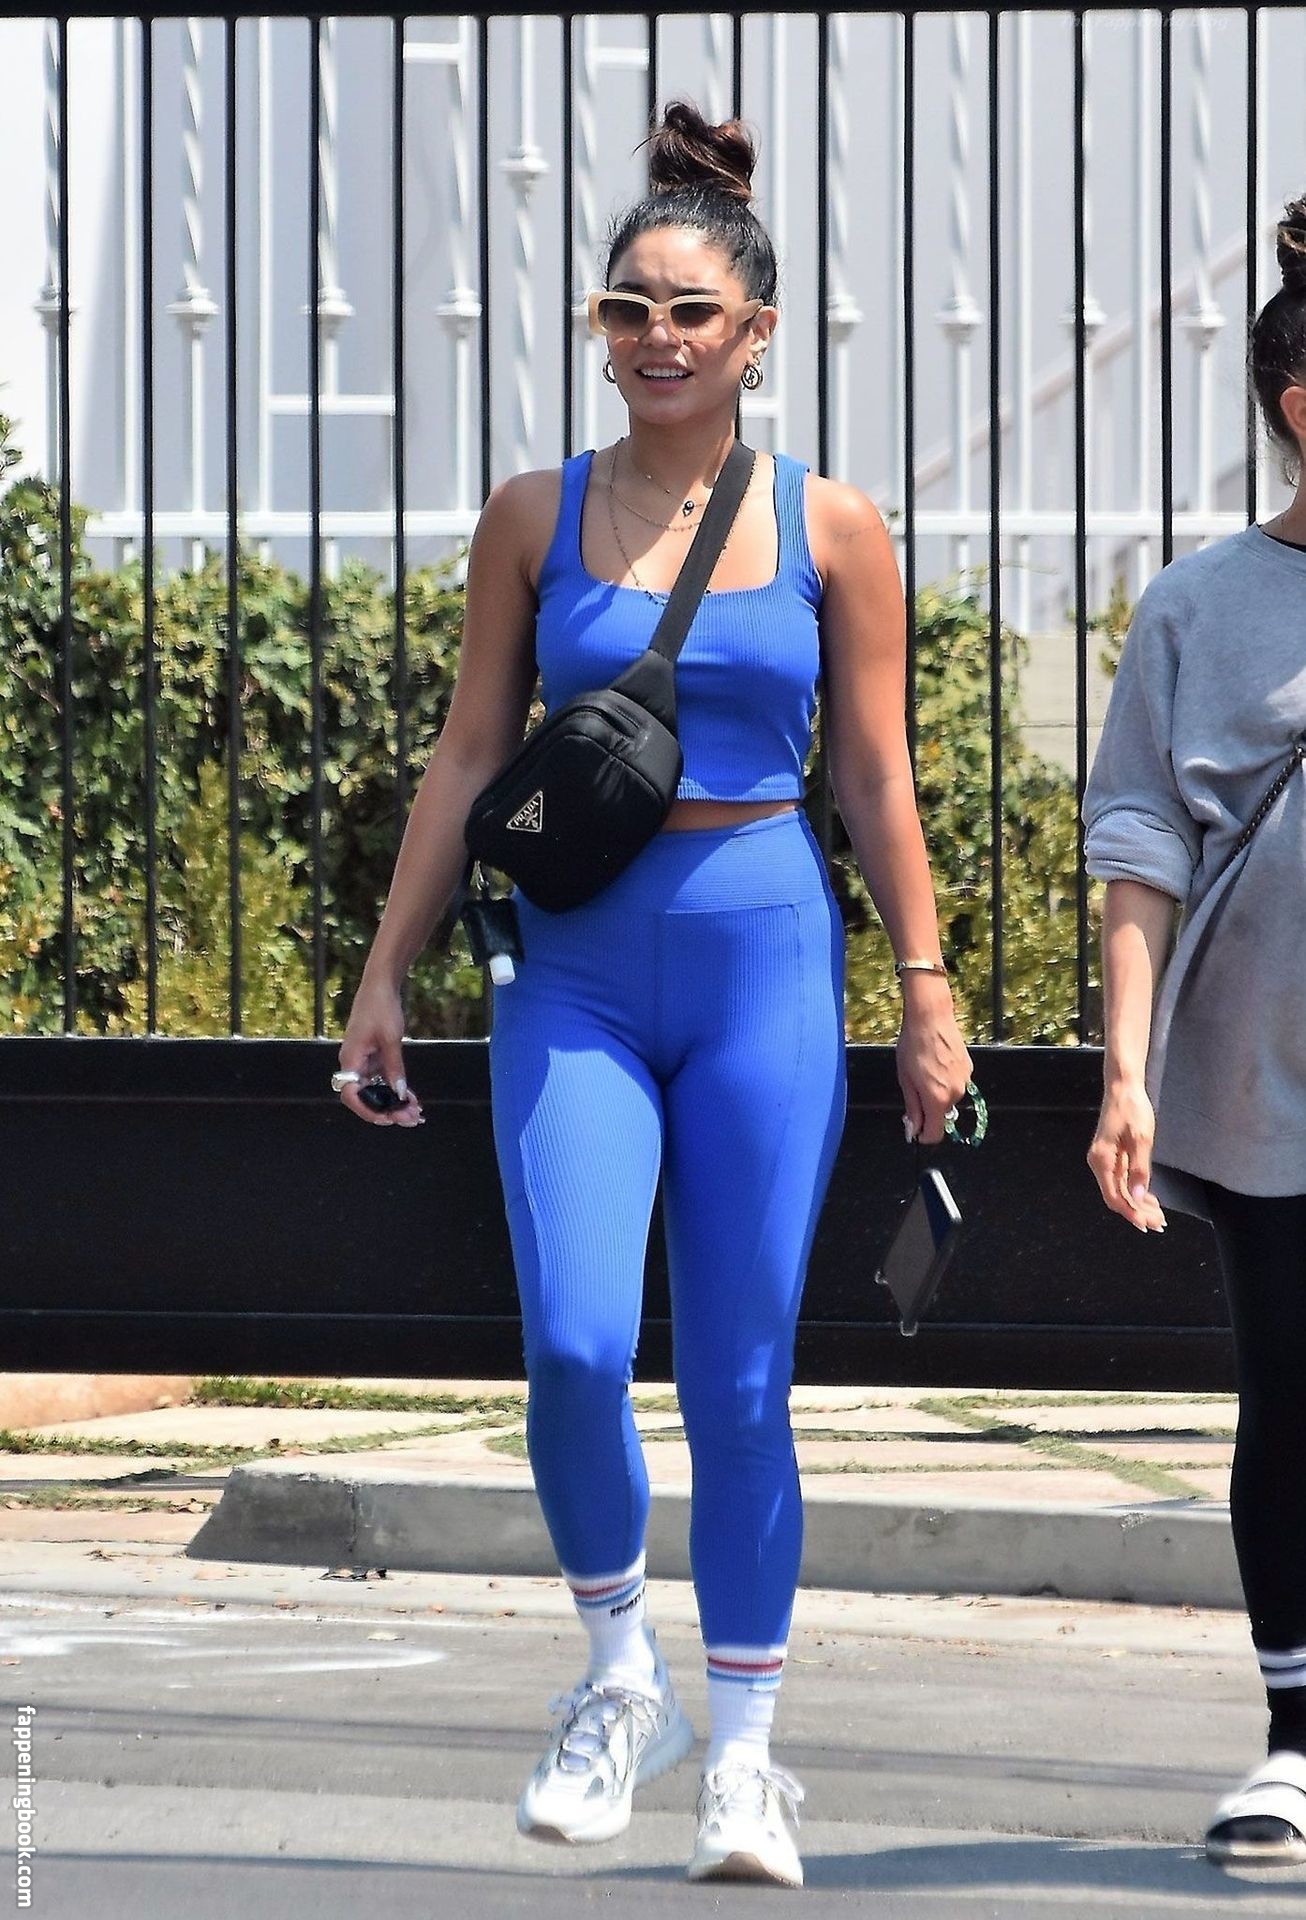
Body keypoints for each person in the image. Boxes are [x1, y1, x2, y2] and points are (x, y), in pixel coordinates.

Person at [336, 98, 971, 1888]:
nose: (656, 337)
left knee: (744, 1379)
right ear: (599, 327)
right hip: (577, 970)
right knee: (571, 1345)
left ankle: (748, 1754)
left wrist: (924, 988)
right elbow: (470, 757)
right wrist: (384, 974)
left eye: (691, 311)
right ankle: (622, 1674)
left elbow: (874, 776)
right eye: (628, 308)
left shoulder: (831, 524)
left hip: (763, 948)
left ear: (753, 333)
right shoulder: (530, 514)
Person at [1084, 196, 1306, 1869]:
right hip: (1259, 1073)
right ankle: (1295, 1739)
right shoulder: (1196, 606)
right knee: (1288, 1396)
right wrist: (1121, 1074)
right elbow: (1140, 845)